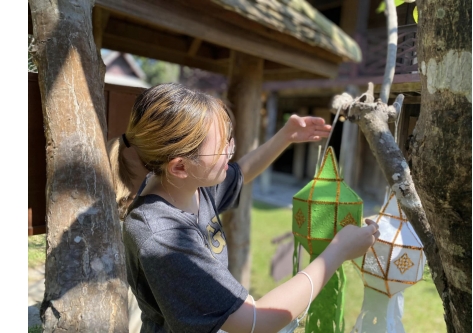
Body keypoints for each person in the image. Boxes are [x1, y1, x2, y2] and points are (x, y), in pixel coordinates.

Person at [107, 82, 380, 333]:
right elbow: (257, 321)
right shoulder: (161, 236)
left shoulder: (189, 185)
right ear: (180, 166)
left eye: (229, 141)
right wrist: (338, 250)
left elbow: (241, 172)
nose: (230, 151)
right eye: (221, 148)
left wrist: (285, 136)